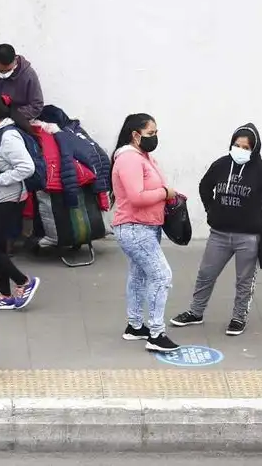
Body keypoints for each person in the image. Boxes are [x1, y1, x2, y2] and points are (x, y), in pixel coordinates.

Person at [171, 123, 262, 336]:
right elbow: (204, 186)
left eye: (246, 147)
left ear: (254, 148)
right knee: (205, 274)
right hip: (219, 235)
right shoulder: (221, 165)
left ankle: (238, 318)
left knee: (244, 281)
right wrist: (210, 209)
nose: (240, 150)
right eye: (237, 145)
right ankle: (195, 312)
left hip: (248, 237)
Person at [110, 113, 180, 353]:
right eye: (151, 133)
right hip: (134, 227)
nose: (155, 137)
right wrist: (164, 192)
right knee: (162, 276)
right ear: (135, 135)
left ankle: (135, 326)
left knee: (139, 276)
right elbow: (136, 196)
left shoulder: (144, 157)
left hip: (145, 227)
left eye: (157, 132)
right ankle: (156, 333)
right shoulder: (129, 159)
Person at [0, 94, 41, 311]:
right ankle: (4, 294)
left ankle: (23, 281)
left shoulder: (9, 136)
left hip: (6, 198)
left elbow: (26, 167)